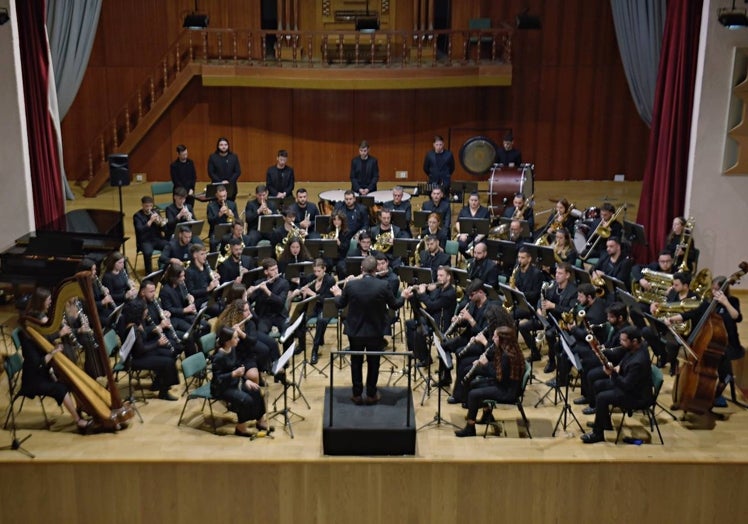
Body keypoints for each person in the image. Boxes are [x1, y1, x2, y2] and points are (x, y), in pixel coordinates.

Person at [332, 255, 404, 404]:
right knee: (374, 363)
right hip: (375, 331)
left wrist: (337, 293)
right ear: (376, 269)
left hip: (355, 331)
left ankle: (357, 394)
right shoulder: (383, 286)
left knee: (356, 362)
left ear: (361, 269)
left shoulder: (351, 285)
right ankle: (371, 394)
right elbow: (395, 305)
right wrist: (403, 296)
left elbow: (340, 304)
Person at [664, 276, 744, 407]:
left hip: (730, 345)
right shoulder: (708, 303)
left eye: (717, 290)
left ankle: (717, 391)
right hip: (711, 343)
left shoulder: (733, 301)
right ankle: (688, 393)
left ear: (724, 290)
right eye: (712, 289)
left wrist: (725, 302)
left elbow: (737, 317)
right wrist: (672, 319)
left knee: (722, 359)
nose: (714, 293)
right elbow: (692, 313)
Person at [19, 294, 94, 432]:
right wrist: (54, 351)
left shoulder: (35, 336)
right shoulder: (28, 343)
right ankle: (78, 420)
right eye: (48, 300)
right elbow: (39, 364)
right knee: (61, 388)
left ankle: (80, 406)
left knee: (69, 380)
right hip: (34, 379)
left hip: (43, 373)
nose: (51, 302)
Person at [580, 326, 653, 444]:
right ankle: (604, 422)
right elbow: (626, 361)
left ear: (634, 341)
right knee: (598, 384)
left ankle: (598, 434)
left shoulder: (638, 361)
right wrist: (617, 367)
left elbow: (626, 385)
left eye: (624, 340)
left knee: (602, 397)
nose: (621, 343)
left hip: (637, 396)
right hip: (631, 386)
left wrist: (612, 373)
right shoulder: (636, 348)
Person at [454, 325, 526, 437]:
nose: (492, 338)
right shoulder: (506, 348)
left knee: (473, 394)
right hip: (505, 384)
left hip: (508, 391)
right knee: (474, 384)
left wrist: (484, 365)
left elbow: (499, 376)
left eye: (495, 336)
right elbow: (499, 371)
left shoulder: (507, 355)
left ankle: (470, 428)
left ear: (502, 339)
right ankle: (487, 415)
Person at [211, 326, 272, 437]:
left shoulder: (232, 349)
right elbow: (217, 379)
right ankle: (240, 427)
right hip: (221, 388)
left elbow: (237, 366)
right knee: (246, 400)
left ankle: (260, 421)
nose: (238, 339)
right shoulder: (218, 357)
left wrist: (245, 380)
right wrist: (233, 374)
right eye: (235, 338)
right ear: (227, 341)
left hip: (234, 382)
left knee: (256, 390)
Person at [117, 299, 180, 401]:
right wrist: (158, 344)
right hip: (134, 360)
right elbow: (140, 350)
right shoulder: (132, 328)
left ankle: (158, 383)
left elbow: (142, 343)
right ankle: (163, 392)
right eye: (144, 309)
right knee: (167, 362)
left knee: (168, 354)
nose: (146, 311)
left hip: (139, 354)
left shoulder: (137, 323)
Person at [402, 265, 457, 366]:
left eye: (441, 275)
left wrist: (423, 293)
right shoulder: (439, 288)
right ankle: (416, 353)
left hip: (442, 322)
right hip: (433, 316)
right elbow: (430, 301)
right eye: (438, 275)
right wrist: (418, 292)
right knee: (410, 324)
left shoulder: (449, 293)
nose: (438, 278)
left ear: (448, 277)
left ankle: (425, 359)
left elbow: (431, 305)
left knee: (419, 330)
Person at [299, 258, 336, 365]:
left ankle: (315, 350)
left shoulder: (330, 280)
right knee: (301, 319)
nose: (316, 274)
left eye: (318, 271)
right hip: (314, 306)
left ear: (324, 269)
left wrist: (313, 294)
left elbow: (326, 300)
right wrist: (304, 293)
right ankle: (301, 346)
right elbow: (307, 296)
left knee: (321, 320)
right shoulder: (310, 278)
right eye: (314, 271)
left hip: (327, 307)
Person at [133, 195, 168, 275]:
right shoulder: (137, 216)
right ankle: (149, 274)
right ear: (142, 205)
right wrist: (150, 221)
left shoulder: (156, 212)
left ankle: (164, 268)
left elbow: (163, 228)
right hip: (145, 241)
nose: (149, 208)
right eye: (146, 206)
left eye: (151, 206)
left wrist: (161, 223)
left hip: (157, 239)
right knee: (148, 252)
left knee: (168, 246)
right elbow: (140, 230)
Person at [206, 184, 239, 251]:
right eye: (220, 197)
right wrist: (219, 214)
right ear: (216, 195)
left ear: (226, 194)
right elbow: (210, 222)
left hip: (230, 231)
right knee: (213, 242)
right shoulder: (211, 206)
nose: (223, 199)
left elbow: (238, 221)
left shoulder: (232, 204)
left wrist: (232, 216)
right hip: (216, 232)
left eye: (224, 196)